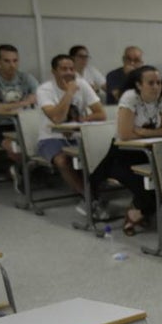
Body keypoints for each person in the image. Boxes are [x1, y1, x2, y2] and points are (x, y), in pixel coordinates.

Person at [91, 65, 162, 235]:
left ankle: (135, 213)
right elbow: (125, 135)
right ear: (139, 85)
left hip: (148, 153)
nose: (156, 86)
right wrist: (148, 134)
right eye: (150, 83)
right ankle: (137, 213)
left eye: (158, 82)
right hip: (122, 155)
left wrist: (141, 132)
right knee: (144, 187)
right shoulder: (130, 97)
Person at [36, 54, 107, 216]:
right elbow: (57, 118)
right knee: (62, 160)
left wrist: (82, 118)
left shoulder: (82, 84)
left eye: (71, 69)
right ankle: (89, 198)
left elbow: (100, 114)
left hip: (77, 136)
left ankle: (92, 195)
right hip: (50, 138)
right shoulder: (44, 90)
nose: (68, 72)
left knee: (99, 155)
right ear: (54, 72)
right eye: (63, 69)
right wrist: (68, 93)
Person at [0, 44, 38, 162]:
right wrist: (23, 103)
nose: (12, 65)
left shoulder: (26, 77)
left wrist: (8, 106)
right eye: (7, 61)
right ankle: (19, 171)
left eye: (15, 61)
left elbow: (39, 99)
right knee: (14, 148)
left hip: (23, 124)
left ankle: (27, 171)